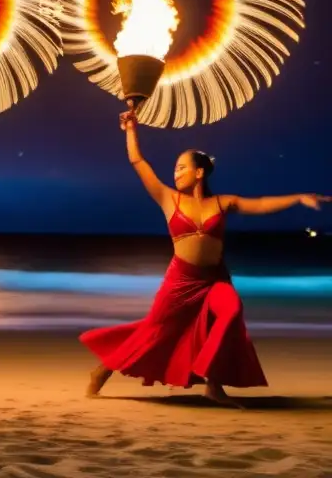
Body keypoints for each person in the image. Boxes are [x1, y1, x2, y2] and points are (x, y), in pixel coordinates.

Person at [81, 108, 328, 406]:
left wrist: (298, 197)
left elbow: (260, 204)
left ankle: (213, 384)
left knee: (230, 312)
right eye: (175, 168)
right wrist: (131, 130)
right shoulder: (167, 198)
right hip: (181, 281)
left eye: (182, 167)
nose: (176, 173)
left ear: (199, 172)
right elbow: (138, 162)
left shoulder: (222, 203)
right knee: (155, 332)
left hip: (214, 279)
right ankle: (103, 370)